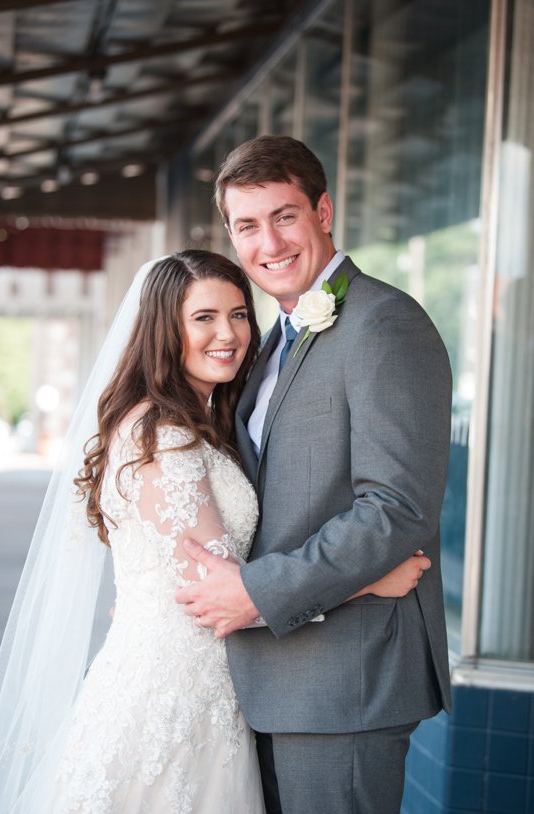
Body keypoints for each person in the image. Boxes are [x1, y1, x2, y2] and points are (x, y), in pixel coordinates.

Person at [0, 251, 428, 813]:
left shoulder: (196, 424)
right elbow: (222, 593)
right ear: (163, 328)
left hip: (206, 688)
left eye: (240, 314)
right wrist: (371, 580)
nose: (228, 333)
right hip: (172, 700)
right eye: (204, 318)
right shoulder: (163, 435)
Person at [175, 135, 452, 813]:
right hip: (259, 678)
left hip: (344, 686)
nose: (268, 242)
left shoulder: (386, 326)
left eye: (285, 215)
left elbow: (394, 510)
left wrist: (257, 593)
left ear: (323, 212)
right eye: (247, 225)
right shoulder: (263, 345)